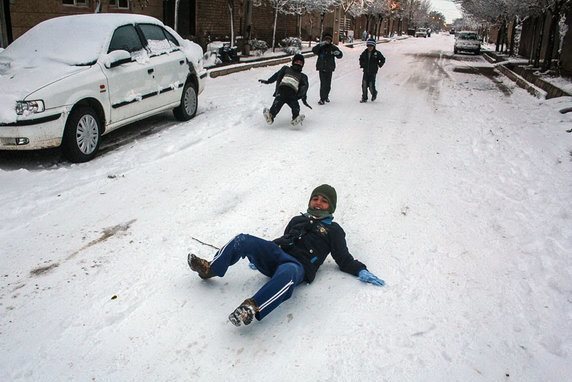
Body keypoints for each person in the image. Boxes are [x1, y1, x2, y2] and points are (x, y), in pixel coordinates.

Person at [188, 184, 385, 327]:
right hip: (277, 255)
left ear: (331, 207)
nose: (318, 202)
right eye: (315, 198)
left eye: (324, 201)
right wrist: (261, 252)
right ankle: (210, 269)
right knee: (243, 239)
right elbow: (284, 239)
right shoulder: (297, 219)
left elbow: (344, 259)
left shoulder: (334, 230)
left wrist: (361, 270)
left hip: (297, 266)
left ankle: (251, 308)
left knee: (289, 270)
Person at [259, 53, 309, 126]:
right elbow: (276, 75)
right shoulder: (286, 69)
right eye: (297, 62)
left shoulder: (302, 76)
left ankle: (295, 118)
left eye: (300, 63)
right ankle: (271, 116)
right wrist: (268, 81)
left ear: (302, 65)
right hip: (282, 90)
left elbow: (304, 88)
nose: (298, 63)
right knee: (276, 104)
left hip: (292, 94)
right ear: (293, 62)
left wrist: (304, 99)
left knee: (296, 106)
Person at [311, 32, 343, 105]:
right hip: (321, 68)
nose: (327, 41)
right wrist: (320, 45)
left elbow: (340, 55)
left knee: (328, 84)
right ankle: (322, 99)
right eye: (326, 40)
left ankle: (326, 96)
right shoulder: (321, 47)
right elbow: (314, 50)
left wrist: (338, 53)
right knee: (323, 83)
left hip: (329, 68)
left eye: (329, 40)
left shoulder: (333, 47)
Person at [359, 38, 386, 103]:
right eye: (368, 46)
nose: (370, 47)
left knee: (371, 85)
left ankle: (374, 93)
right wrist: (362, 64)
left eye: (371, 46)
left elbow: (383, 59)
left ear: (374, 46)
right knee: (364, 84)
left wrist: (380, 64)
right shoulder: (364, 53)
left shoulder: (377, 53)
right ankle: (364, 97)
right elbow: (361, 59)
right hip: (366, 71)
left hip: (373, 72)